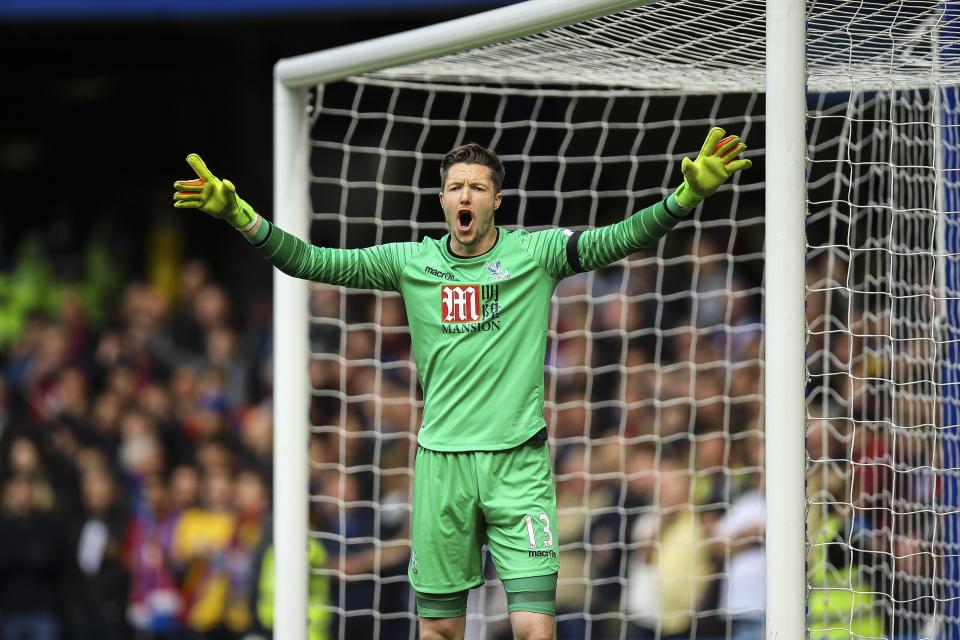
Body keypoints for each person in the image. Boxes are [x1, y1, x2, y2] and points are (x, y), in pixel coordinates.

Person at [172, 128, 750, 640]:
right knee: (442, 629)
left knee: (533, 626)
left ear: (496, 199)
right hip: (441, 465)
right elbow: (312, 261)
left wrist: (684, 199)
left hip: (518, 463)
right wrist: (242, 218)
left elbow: (615, 239)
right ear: (442, 199)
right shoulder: (409, 262)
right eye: (456, 187)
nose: (465, 196)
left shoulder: (536, 253)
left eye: (477, 187)